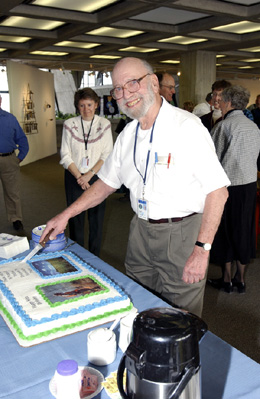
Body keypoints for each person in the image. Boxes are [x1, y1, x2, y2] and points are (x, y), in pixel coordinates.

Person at [41, 57, 230, 317]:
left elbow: (218, 191)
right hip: (140, 231)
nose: (125, 93)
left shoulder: (186, 127)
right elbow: (105, 184)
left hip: (182, 234)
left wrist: (202, 249)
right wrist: (66, 214)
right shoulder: (128, 135)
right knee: (139, 303)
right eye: (118, 88)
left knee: (181, 317)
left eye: (132, 83)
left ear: (153, 83)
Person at [209, 86, 260, 294]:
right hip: (248, 186)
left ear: (229, 102)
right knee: (244, 229)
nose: (219, 104)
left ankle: (227, 279)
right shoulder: (253, 127)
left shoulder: (224, 126)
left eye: (221, 101)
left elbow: (212, 158)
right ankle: (241, 279)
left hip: (228, 186)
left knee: (225, 230)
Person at [59, 87, 113, 256]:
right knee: (76, 218)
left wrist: (89, 175)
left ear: (96, 105)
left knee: (96, 219)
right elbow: (65, 154)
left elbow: (107, 154)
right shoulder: (69, 124)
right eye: (82, 105)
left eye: (89, 104)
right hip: (74, 176)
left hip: (97, 177)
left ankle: (95, 257)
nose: (86, 109)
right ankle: (78, 255)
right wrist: (79, 177)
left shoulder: (104, 125)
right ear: (77, 106)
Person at [0, 95, 29, 231]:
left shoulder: (10, 119)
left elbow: (22, 140)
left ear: (0, 101)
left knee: (12, 192)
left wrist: (19, 157)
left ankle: (16, 219)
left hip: (8, 160)